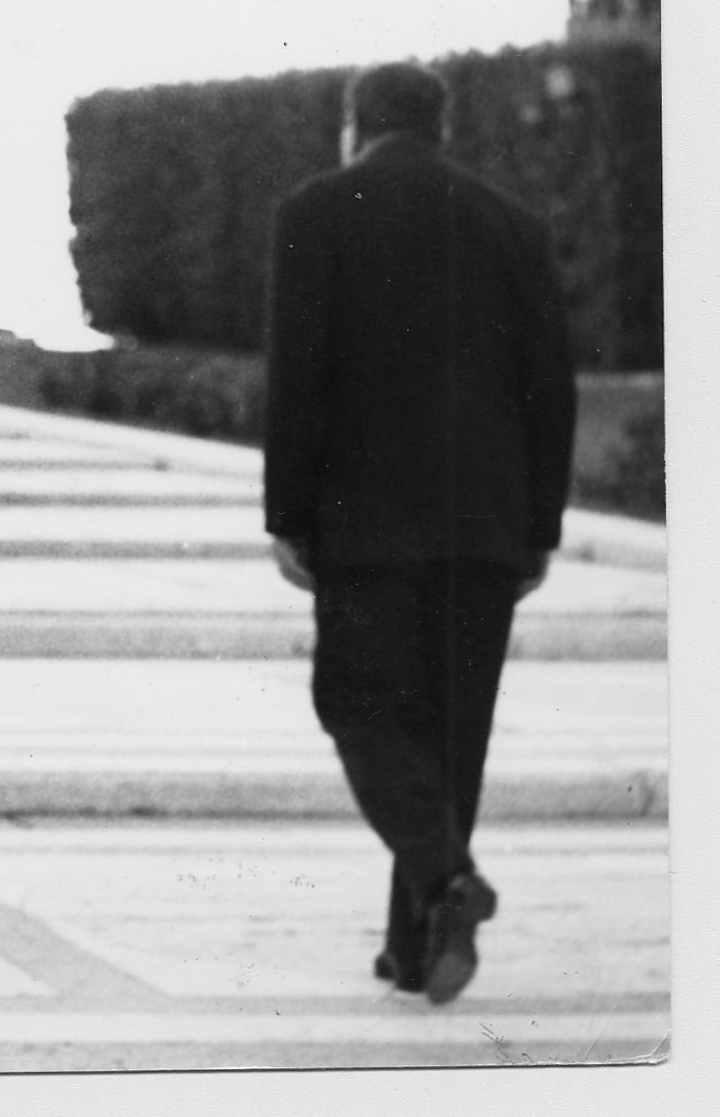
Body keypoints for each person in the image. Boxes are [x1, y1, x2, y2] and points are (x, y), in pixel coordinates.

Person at [263, 60, 579, 1006]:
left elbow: (298, 376)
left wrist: (287, 515)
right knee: (451, 738)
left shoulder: (314, 211)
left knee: (359, 708)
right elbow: (551, 388)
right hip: (484, 528)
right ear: (442, 130)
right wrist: (540, 529)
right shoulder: (510, 224)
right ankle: (416, 949)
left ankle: (446, 885)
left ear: (356, 124)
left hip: (364, 526)